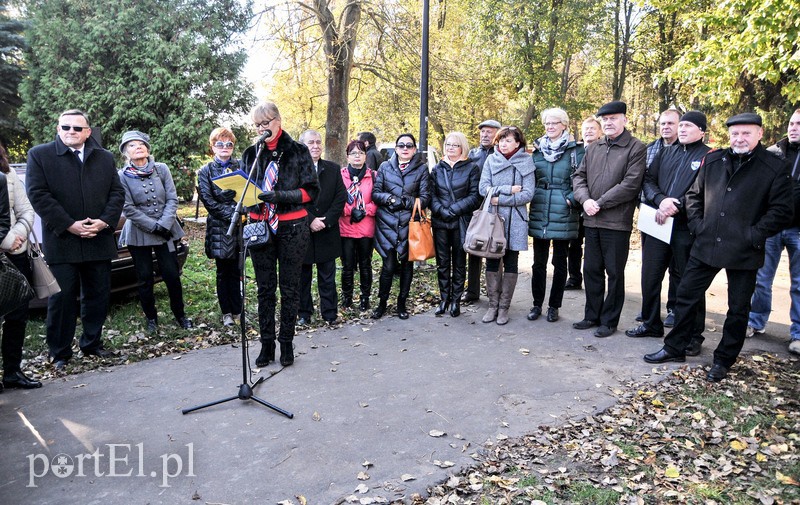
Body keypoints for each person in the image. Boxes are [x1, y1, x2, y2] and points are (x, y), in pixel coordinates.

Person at [645, 113, 794, 382]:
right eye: (735, 133)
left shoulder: (773, 167)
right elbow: (694, 196)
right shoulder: (714, 159)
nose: (739, 138)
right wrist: (699, 226)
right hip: (706, 244)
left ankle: (724, 360)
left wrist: (753, 235)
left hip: (745, 249)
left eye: (746, 133)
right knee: (686, 296)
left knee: (738, 308)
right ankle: (674, 346)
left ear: (759, 134)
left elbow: (781, 211)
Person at [26, 109, 125, 370]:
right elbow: (38, 195)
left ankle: (92, 344)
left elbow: (117, 193)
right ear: (58, 129)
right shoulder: (40, 155)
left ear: (88, 132)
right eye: (66, 127)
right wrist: (69, 225)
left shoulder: (104, 157)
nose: (71, 132)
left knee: (98, 296)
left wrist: (104, 221)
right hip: (63, 241)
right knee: (62, 299)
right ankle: (59, 353)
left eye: (77, 128)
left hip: (98, 239)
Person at [627, 111, 711, 356]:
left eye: (688, 126)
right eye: (681, 125)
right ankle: (651, 323)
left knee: (688, 282)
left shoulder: (708, 156)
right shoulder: (666, 152)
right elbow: (648, 180)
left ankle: (693, 336)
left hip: (686, 227)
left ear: (702, 131)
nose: (682, 129)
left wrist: (676, 206)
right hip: (657, 223)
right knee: (650, 276)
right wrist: (660, 200)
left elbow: (704, 190)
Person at [241, 102, 319, 367]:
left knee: (289, 287)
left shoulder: (298, 151)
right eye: (258, 125)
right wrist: (249, 198)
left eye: (267, 123)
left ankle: (286, 343)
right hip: (260, 227)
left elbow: (310, 191)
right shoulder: (251, 153)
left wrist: (280, 196)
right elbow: (244, 189)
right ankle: (266, 345)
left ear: (279, 120)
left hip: (292, 228)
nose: (263, 129)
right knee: (265, 289)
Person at [572, 101, 646, 338]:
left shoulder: (635, 147)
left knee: (614, 273)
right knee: (591, 269)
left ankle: (609, 321)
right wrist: (585, 201)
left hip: (616, 222)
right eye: (605, 119)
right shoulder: (594, 148)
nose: (609, 122)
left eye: (613, 118)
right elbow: (579, 177)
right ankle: (591, 315)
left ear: (624, 119)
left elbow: (631, 184)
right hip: (591, 220)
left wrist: (600, 202)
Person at [118, 131, 192, 332]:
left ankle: (181, 315)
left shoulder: (161, 169)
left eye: (141, 144)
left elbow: (172, 198)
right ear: (126, 153)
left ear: (148, 149)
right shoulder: (122, 175)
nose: (138, 147)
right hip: (139, 233)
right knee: (144, 278)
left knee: (171, 274)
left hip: (165, 231)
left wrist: (164, 224)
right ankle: (151, 319)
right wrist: (153, 226)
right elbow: (128, 208)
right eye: (131, 145)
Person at [747, 108, 800, 355]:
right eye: (791, 123)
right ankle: (755, 322)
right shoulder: (774, 153)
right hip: (772, 229)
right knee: (761, 278)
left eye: (799, 124)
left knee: (798, 284)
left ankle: (798, 334)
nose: (793, 128)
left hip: (798, 230)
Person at [527, 108, 585, 323]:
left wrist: (571, 199)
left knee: (560, 263)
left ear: (564, 125)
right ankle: (536, 304)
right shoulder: (537, 150)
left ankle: (554, 306)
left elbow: (582, 179)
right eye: (546, 124)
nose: (550, 127)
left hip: (564, 210)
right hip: (541, 208)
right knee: (538, 263)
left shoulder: (576, 151)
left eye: (554, 123)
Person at [371, 133, 431, 320]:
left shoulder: (421, 169)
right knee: (388, 267)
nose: (405, 148)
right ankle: (382, 303)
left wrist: (403, 201)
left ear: (414, 150)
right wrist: (389, 198)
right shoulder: (384, 167)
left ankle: (401, 303)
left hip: (409, 224)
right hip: (387, 224)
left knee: (407, 265)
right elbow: (376, 193)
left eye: (409, 145)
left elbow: (426, 198)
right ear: (396, 148)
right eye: (401, 145)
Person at [479, 126, 535, 325]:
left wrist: (499, 199)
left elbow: (528, 194)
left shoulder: (527, 161)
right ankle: (492, 306)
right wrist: (508, 190)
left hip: (516, 219)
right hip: (493, 219)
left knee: (511, 261)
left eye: (508, 140)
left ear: (518, 143)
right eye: (501, 140)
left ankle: (504, 308)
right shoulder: (491, 160)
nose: (503, 144)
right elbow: (483, 188)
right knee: (492, 260)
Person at [1, 143, 40, 390]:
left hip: (15, 254)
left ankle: (13, 372)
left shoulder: (8, 172)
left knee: (17, 316)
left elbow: (26, 210)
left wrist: (15, 236)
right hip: (6, 244)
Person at [297, 130, 347, 325]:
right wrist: (310, 220)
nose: (316, 145)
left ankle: (329, 313)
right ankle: (303, 313)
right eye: (311, 142)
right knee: (303, 276)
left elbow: (340, 197)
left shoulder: (333, 169)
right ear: (302, 146)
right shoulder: (293, 170)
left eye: (318, 142)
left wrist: (325, 221)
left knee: (328, 277)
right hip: (303, 230)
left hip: (327, 230)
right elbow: (292, 198)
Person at [430, 132, 481, 317]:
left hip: (460, 221)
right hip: (440, 222)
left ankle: (455, 300)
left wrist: (454, 210)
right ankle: (444, 298)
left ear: (462, 148)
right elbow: (432, 194)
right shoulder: (437, 169)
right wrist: (441, 211)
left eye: (454, 145)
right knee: (442, 262)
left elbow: (475, 196)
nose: (450, 148)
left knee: (459, 262)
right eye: (448, 145)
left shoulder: (472, 168)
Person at [639, 109, 682, 327]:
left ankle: (673, 308)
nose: (666, 127)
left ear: (680, 125)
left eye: (671, 123)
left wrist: (669, 205)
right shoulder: (651, 149)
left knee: (676, 267)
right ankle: (649, 310)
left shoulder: (686, 151)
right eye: (663, 123)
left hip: (677, 216)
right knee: (651, 267)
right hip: (651, 214)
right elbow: (644, 180)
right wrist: (655, 202)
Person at [197, 127, 243, 327]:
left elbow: (249, 193)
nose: (225, 147)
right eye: (220, 144)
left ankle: (239, 310)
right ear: (212, 147)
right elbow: (208, 201)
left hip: (241, 226)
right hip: (219, 227)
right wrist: (231, 213)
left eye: (229, 144)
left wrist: (241, 212)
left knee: (238, 269)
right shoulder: (205, 171)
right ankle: (226, 312)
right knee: (223, 271)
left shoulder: (241, 166)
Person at [463, 119, 501, 304]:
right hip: (475, 207)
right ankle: (472, 291)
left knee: (495, 248)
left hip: (496, 206)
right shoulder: (472, 154)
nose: (485, 135)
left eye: (490, 132)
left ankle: (495, 292)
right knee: (475, 249)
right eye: (483, 132)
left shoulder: (501, 154)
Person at [339, 139, 378, 312]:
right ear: (347, 156)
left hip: (366, 227)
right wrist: (349, 210)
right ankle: (347, 298)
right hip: (346, 227)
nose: (357, 156)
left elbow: (378, 199)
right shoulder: (340, 175)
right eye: (354, 153)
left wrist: (364, 210)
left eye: (361, 153)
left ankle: (365, 298)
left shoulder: (374, 176)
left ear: (365, 156)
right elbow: (336, 199)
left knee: (365, 264)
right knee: (347, 265)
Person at [564, 117, 602, 291]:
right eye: (585, 129)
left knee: (594, 246)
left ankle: (593, 280)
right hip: (575, 204)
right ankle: (574, 277)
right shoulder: (574, 151)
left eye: (592, 129)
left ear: (600, 132)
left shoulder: (604, 150)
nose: (588, 132)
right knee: (574, 244)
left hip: (595, 205)